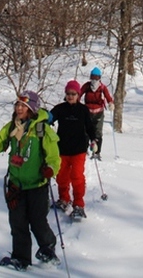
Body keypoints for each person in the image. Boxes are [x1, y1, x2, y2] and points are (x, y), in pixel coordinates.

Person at [0, 90, 61, 271]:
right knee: (17, 223)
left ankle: (47, 248)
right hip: (16, 184)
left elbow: (54, 156)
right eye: (17, 105)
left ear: (31, 108)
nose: (18, 108)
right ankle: (21, 258)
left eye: (23, 106)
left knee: (38, 221)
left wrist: (51, 169)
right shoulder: (12, 126)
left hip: (37, 184)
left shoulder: (42, 129)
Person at [50, 80, 97, 219]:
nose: (70, 96)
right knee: (62, 176)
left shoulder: (83, 110)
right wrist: (43, 118)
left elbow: (89, 127)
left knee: (77, 177)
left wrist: (94, 140)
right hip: (62, 149)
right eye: (68, 94)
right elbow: (49, 118)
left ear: (78, 95)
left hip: (78, 150)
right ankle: (64, 199)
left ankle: (78, 204)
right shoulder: (60, 108)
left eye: (73, 94)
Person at [80, 66, 114, 161]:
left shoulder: (102, 87)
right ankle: (84, 149)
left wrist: (111, 103)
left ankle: (97, 152)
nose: (94, 79)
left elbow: (108, 97)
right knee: (85, 132)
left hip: (99, 113)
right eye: (93, 77)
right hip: (87, 113)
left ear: (99, 78)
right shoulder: (87, 86)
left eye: (96, 77)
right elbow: (79, 94)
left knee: (98, 133)